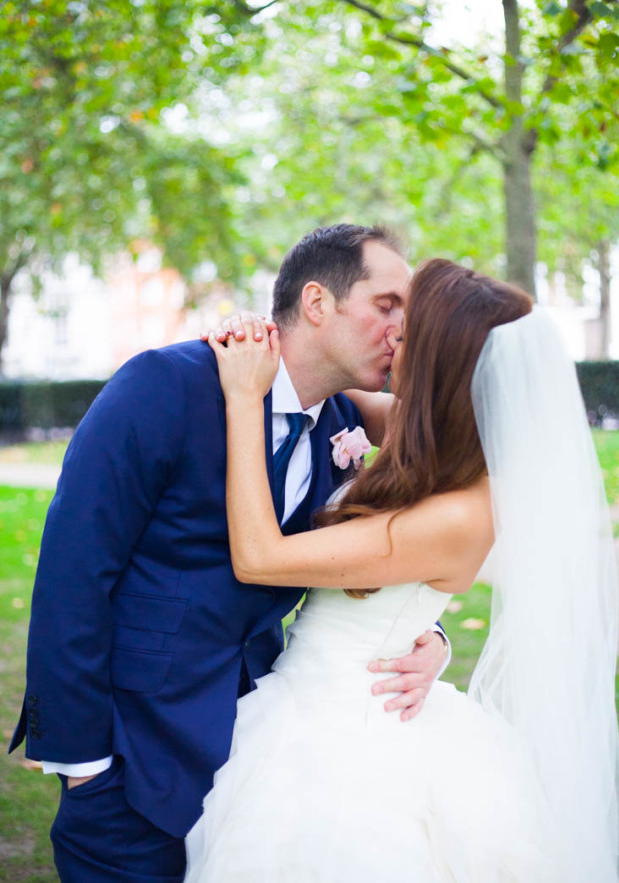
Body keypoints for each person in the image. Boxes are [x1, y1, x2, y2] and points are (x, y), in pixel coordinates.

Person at [9, 224, 450, 882]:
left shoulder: (344, 430)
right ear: (317, 302)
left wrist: (427, 634)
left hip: (259, 756)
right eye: (388, 305)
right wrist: (83, 765)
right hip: (131, 759)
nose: (402, 329)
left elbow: (373, 557)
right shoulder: (163, 386)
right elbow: (74, 575)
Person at [185, 258, 619, 882]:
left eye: (408, 327)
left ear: (443, 360)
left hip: (347, 738)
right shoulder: (431, 438)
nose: (393, 334)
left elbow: (261, 558)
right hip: (315, 697)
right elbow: (315, 381)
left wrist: (242, 400)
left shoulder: (465, 510)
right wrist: (259, 334)